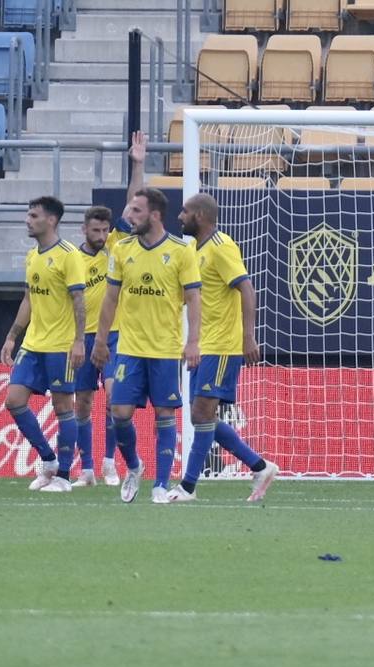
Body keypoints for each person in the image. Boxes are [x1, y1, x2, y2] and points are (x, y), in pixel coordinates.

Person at [163, 192, 279, 502]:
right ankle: (260, 465)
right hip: (202, 345)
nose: (179, 217)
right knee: (200, 418)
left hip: (224, 345)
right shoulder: (192, 250)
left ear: (199, 215)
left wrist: (248, 336)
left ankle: (188, 486)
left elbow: (245, 287)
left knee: (202, 414)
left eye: (185, 212)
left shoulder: (222, 246)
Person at [91, 187, 202, 504]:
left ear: (154, 214)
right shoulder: (123, 250)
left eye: (136, 211)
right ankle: (135, 466)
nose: (129, 216)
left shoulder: (181, 251)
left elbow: (194, 298)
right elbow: (110, 298)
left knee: (164, 414)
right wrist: (101, 341)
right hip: (129, 348)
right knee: (119, 413)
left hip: (165, 349)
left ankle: (160, 485)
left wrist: (193, 341)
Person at [69, 133, 149, 487]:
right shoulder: (72, 259)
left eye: (105, 229)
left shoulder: (116, 245)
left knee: (116, 398)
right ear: (84, 229)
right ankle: (86, 468)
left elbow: (135, 201)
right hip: (82, 339)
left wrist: (138, 162)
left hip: (116, 336)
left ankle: (108, 462)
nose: (102, 234)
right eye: (96, 229)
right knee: (83, 402)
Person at [0, 197, 88, 492]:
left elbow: (79, 300)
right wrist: (13, 336)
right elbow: (29, 299)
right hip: (34, 343)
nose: (27, 219)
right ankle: (49, 460)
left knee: (63, 406)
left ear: (51, 220)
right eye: (28, 214)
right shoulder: (32, 256)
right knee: (14, 401)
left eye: (33, 215)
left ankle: (63, 476)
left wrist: (78, 341)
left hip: (61, 345)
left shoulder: (69, 255)